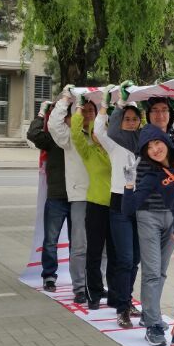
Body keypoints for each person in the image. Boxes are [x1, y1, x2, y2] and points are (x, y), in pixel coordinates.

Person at [107, 86, 174, 346]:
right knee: (151, 271)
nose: (160, 115)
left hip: (173, 214)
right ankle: (153, 324)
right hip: (148, 213)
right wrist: (120, 102)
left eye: (164, 110)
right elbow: (113, 132)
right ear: (148, 115)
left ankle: (150, 314)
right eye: (155, 111)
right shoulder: (140, 138)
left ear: (171, 114)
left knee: (161, 272)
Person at [120, 113, 174, 346]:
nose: (154, 149)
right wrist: (129, 183)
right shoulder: (153, 176)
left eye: (157, 143)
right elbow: (128, 209)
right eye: (149, 148)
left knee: (166, 273)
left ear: (165, 140)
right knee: (153, 272)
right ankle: (153, 324)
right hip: (156, 220)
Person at [95, 92, 143, 326]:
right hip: (119, 205)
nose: (131, 123)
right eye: (127, 119)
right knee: (124, 259)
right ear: (120, 121)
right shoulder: (113, 142)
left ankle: (126, 299)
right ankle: (122, 308)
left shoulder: (145, 142)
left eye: (135, 119)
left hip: (141, 206)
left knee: (135, 260)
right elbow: (98, 130)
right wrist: (111, 105)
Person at [47, 86, 91, 304]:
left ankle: (97, 284)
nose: (87, 115)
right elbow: (54, 124)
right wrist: (65, 98)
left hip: (103, 197)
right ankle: (80, 288)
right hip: (80, 197)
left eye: (91, 111)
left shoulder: (102, 134)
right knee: (79, 246)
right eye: (83, 111)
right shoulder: (70, 137)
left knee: (101, 247)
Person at [71, 100, 115, 310]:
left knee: (116, 254)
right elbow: (75, 133)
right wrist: (79, 108)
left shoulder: (116, 151)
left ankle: (114, 292)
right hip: (96, 206)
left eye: (103, 129)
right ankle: (93, 293)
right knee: (94, 252)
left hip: (118, 207)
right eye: (96, 131)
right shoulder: (88, 151)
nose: (99, 134)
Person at [27, 100, 70, 293]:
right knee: (51, 240)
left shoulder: (79, 137)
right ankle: (49, 276)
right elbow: (33, 134)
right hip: (56, 197)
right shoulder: (52, 138)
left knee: (79, 242)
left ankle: (79, 277)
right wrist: (41, 114)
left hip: (78, 198)